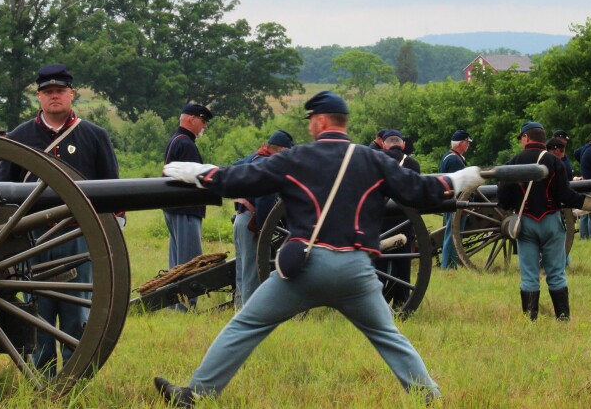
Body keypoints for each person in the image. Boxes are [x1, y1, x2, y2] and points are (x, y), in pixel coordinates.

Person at [154, 91, 485, 406]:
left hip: (304, 269)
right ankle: (430, 397)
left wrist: (199, 173)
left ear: (323, 121)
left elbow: (240, 180)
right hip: (357, 270)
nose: (310, 125)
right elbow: (419, 191)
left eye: (312, 118)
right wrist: (460, 180)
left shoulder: (296, 158)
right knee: (390, 338)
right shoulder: (372, 159)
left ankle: (195, 395)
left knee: (245, 326)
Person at [0, 63, 120, 373]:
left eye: (60, 91)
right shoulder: (19, 136)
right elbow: (1, 190)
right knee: (37, 310)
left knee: (77, 312)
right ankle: (43, 376)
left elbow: (112, 187)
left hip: (77, 236)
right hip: (34, 238)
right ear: (39, 97)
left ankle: (74, 372)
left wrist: (112, 228)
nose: (54, 97)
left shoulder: (94, 135)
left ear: (71, 94)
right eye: (48, 92)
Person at [497, 122, 591, 321]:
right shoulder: (555, 162)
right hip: (551, 221)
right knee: (556, 273)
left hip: (526, 223)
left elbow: (503, 199)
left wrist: (514, 205)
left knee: (530, 274)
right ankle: (563, 318)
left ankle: (530, 319)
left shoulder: (512, 163)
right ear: (542, 139)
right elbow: (566, 195)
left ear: (525, 138)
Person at [230, 130, 294, 309]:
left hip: (240, 218)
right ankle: (250, 313)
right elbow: (265, 200)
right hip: (252, 223)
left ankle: (239, 310)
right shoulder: (270, 166)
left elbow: (233, 170)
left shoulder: (253, 158)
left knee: (242, 271)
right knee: (252, 273)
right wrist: (263, 229)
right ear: (281, 150)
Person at [162, 102, 213, 310]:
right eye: (203, 121)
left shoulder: (176, 140)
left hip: (174, 208)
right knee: (190, 261)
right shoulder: (186, 144)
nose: (204, 126)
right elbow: (192, 180)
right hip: (186, 209)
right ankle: (185, 306)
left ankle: (175, 305)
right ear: (192, 119)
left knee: (177, 261)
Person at [375, 129, 420, 309]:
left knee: (380, 265)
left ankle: (378, 303)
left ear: (384, 144)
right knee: (403, 264)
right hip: (405, 221)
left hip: (380, 222)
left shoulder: (375, 160)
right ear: (402, 144)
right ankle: (402, 301)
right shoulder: (413, 164)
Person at [439, 129, 472, 269]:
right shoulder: (454, 160)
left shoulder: (451, 157)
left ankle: (449, 264)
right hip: (455, 203)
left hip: (451, 202)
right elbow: (458, 184)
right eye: (467, 142)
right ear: (461, 143)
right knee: (453, 235)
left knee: (452, 234)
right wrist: (463, 205)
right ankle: (448, 266)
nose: (469, 145)